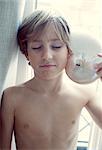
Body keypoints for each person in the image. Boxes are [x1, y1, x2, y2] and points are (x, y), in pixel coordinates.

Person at [0, 9, 102, 150]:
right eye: (36, 47)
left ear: (69, 51)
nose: (47, 55)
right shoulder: (12, 97)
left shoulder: (84, 93)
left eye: (56, 46)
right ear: (26, 52)